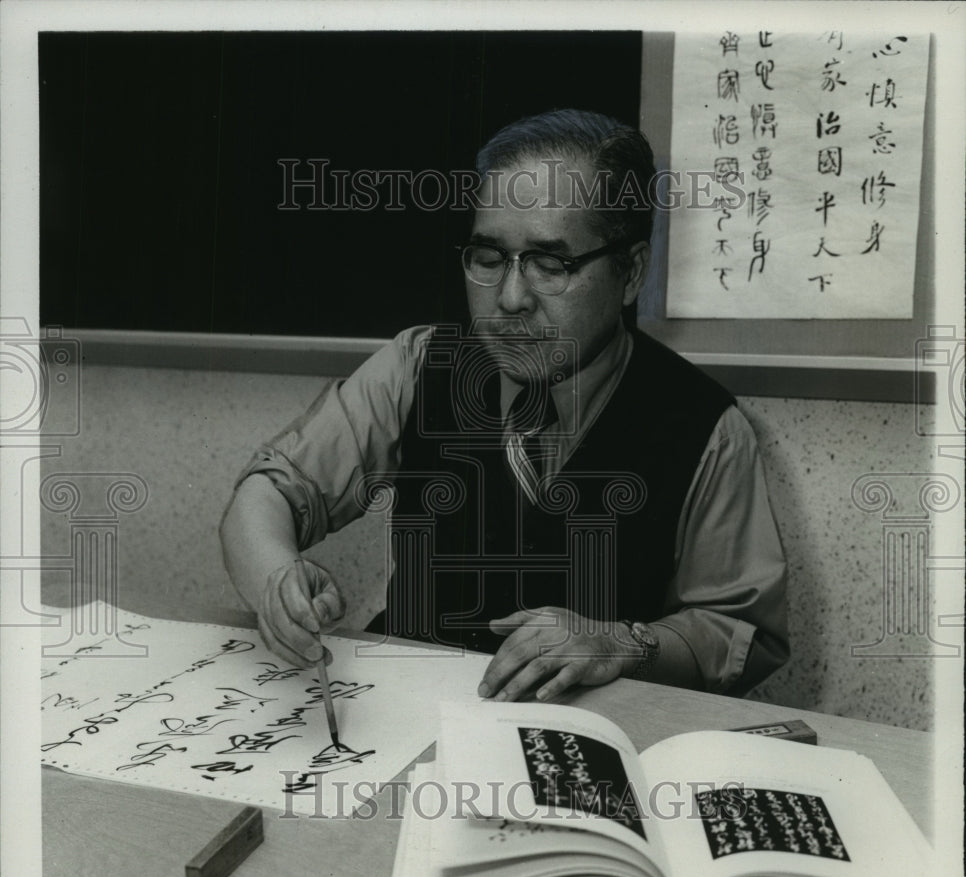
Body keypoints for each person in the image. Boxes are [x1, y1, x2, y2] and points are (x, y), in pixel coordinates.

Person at [220, 108, 788, 703]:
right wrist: (277, 585)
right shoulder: (419, 365)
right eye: (489, 259)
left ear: (630, 273)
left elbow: (736, 631)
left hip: (583, 738)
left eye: (551, 264)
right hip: (408, 716)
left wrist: (622, 643)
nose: (510, 299)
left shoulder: (705, 429)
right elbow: (269, 491)